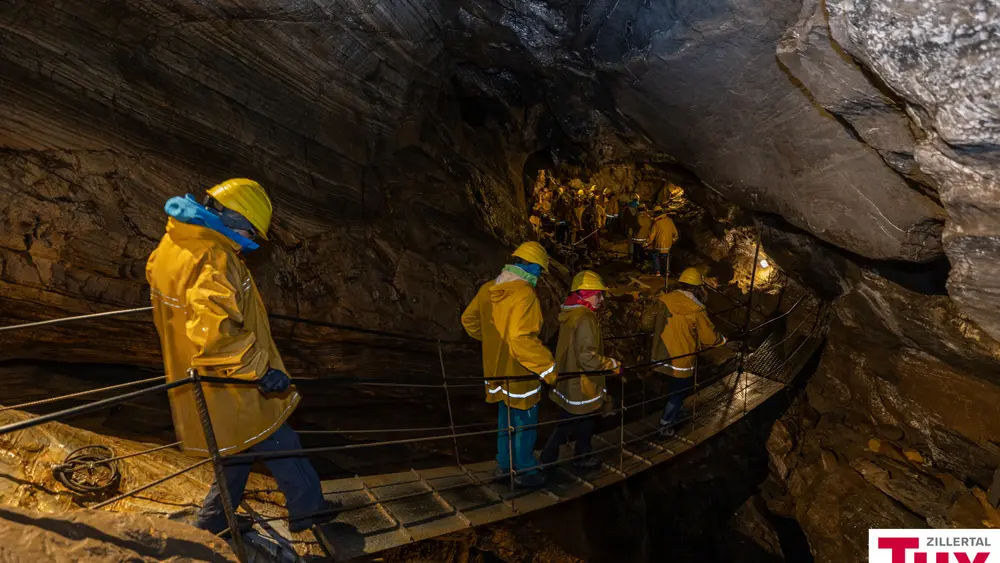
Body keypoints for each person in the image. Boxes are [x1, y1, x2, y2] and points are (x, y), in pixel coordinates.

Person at [145, 178, 326, 534]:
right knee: (279, 438)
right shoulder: (214, 256)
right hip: (232, 375)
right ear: (230, 217)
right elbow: (215, 333)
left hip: (197, 373)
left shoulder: (174, 242)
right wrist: (261, 371)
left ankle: (213, 521)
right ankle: (309, 513)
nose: (251, 242)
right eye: (250, 231)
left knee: (236, 450)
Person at [461, 242, 558, 488]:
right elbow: (521, 340)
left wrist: (493, 341)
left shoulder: (488, 289)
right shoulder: (524, 294)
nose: (540, 276)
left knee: (505, 421)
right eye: (540, 270)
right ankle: (525, 470)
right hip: (519, 372)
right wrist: (549, 369)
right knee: (524, 423)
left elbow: (468, 320)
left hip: (495, 370)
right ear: (533, 267)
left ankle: (504, 466)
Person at [540, 271, 620, 470]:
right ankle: (580, 457)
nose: (601, 299)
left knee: (567, 420)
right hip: (582, 382)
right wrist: (612, 364)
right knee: (583, 420)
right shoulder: (585, 319)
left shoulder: (570, 314)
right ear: (585, 294)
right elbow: (586, 357)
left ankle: (548, 457)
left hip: (568, 377)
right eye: (598, 294)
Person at [641, 268, 726, 436]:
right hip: (682, 360)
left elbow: (645, 323)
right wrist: (722, 340)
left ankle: (676, 413)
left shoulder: (663, 300)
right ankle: (666, 424)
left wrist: (656, 331)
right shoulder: (697, 308)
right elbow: (709, 338)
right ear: (696, 288)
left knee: (673, 388)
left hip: (661, 356)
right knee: (678, 392)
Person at [646, 206, 679, 278]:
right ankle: (667, 272)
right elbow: (675, 233)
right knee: (666, 257)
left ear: (655, 213)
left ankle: (657, 271)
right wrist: (672, 241)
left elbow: (652, 236)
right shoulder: (670, 220)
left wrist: (646, 243)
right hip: (668, 245)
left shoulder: (656, 222)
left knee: (655, 256)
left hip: (658, 244)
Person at [633, 204, 652, 268]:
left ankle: (635, 262)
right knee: (642, 250)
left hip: (637, 237)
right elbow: (650, 226)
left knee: (636, 250)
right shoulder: (648, 216)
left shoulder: (636, 216)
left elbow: (634, 226)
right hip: (645, 237)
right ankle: (642, 261)